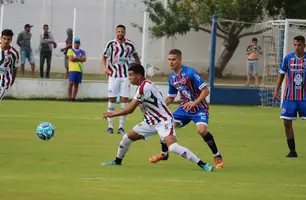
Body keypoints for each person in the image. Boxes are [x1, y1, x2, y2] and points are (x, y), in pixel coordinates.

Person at [101, 63, 214, 172]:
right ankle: (117, 161)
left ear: (139, 75)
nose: (129, 78)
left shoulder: (143, 88)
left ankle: (203, 164)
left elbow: (130, 110)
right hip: (150, 122)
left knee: (173, 147)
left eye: (131, 75)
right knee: (127, 137)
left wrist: (112, 114)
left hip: (164, 121)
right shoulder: (145, 84)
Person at [149, 49, 224, 169]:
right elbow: (171, 98)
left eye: (173, 59)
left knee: (201, 131)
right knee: (166, 126)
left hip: (199, 108)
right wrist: (156, 109)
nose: (171, 62)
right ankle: (164, 154)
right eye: (169, 59)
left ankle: (217, 155)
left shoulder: (190, 73)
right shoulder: (172, 78)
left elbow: (205, 91)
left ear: (180, 60)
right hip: (183, 110)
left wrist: (194, 103)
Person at [102, 24, 141, 134]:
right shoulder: (111, 44)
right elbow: (104, 57)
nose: (120, 33)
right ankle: (110, 127)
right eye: (118, 31)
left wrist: (139, 70)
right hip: (113, 76)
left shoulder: (130, 45)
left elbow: (136, 57)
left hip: (125, 76)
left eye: (122, 32)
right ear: (116, 33)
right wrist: (105, 68)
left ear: (125, 33)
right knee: (112, 100)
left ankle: (121, 127)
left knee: (124, 100)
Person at [273, 35, 306, 158]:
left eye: (299, 45)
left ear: (304, 46)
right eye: (295, 45)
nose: (297, 47)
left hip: (305, 97)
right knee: (287, 123)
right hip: (289, 97)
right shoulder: (288, 58)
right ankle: (292, 151)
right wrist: (276, 90)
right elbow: (281, 75)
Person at [0, 29, 19, 100]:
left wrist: (13, 80)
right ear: (1, 38)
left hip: (4, 80)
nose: (6, 41)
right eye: (4, 38)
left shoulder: (14, 53)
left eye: (8, 39)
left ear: (11, 40)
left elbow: (15, 67)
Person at [67, 37, 86, 102]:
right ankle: (69, 98)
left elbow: (84, 59)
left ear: (79, 44)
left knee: (76, 84)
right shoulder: (70, 50)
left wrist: (76, 58)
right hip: (72, 69)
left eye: (78, 43)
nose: (77, 44)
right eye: (76, 43)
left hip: (79, 70)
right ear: (74, 44)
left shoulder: (82, 51)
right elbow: (71, 59)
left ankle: (73, 98)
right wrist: (79, 59)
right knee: (71, 83)